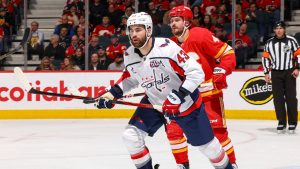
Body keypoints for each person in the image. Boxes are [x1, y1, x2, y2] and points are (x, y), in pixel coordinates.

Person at [93, 12, 234, 169]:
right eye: (131, 30)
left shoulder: (166, 48)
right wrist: (111, 93)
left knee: (209, 148)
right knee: (131, 136)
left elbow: (196, 72)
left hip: (185, 104)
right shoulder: (129, 54)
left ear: (148, 30)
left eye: (138, 29)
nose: (133, 34)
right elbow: (131, 77)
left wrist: (178, 96)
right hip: (155, 102)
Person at [168, 6, 237, 169]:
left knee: (218, 134)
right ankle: (182, 165)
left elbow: (228, 54)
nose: (173, 24)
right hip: (185, 99)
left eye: (177, 20)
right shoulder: (169, 45)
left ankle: (231, 164)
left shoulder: (200, 34)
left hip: (209, 95)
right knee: (174, 131)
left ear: (186, 22)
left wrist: (221, 70)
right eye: (171, 21)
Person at [262, 21, 299, 134]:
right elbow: (265, 58)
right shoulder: (269, 43)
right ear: (274, 30)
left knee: (291, 98)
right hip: (276, 73)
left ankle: (292, 122)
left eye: (281, 28)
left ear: (284, 29)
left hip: (289, 72)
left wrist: (297, 68)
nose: (278, 30)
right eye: (276, 28)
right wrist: (266, 72)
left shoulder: (291, 40)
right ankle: (281, 122)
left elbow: (298, 55)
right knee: (278, 99)